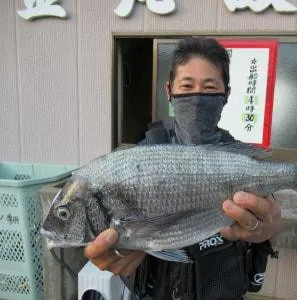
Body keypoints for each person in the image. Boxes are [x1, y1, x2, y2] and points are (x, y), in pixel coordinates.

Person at [84, 37, 282, 299]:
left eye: (210, 88)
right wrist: (112, 252)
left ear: (227, 95)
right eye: (187, 86)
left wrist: (268, 228)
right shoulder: (141, 159)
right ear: (169, 91)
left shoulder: (240, 160)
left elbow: (268, 217)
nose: (198, 98)